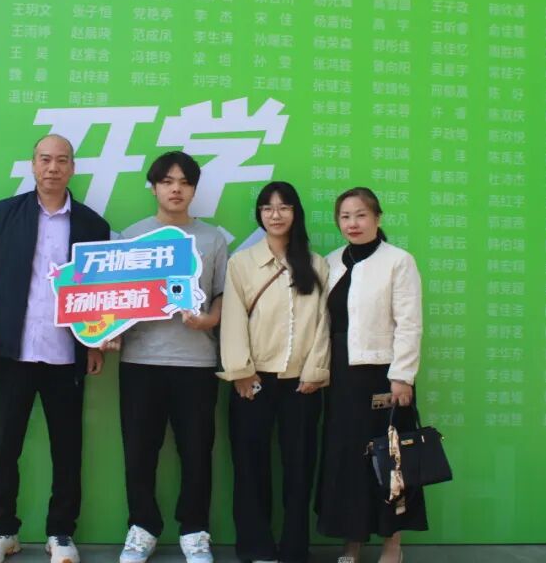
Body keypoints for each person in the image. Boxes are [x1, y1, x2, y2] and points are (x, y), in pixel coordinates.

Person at [0, 134, 111, 563]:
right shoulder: (7, 214)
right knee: (5, 446)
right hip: (15, 350)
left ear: (72, 168)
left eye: (61, 160)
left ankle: (61, 532)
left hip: (67, 355)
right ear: (33, 165)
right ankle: (2, 531)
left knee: (68, 448)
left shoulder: (91, 225)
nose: (52, 168)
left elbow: (99, 293)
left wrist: (95, 343)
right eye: (45, 159)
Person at [114, 151, 228, 563]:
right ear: (154, 187)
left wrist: (209, 319)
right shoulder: (131, 237)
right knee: (139, 451)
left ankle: (194, 531)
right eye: (167, 181)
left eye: (184, 182)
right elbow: (114, 298)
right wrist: (107, 333)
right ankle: (142, 528)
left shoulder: (213, 239)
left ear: (194, 189)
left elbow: (221, 293)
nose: (176, 189)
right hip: (140, 361)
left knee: (196, 452)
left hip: (196, 363)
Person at [218, 181, 330, 563]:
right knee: (250, 469)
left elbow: (324, 323)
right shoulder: (241, 263)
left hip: (302, 384)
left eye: (284, 207)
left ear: (296, 213)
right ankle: (256, 548)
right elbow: (232, 320)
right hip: (254, 382)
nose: (275, 214)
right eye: (267, 207)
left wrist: (315, 371)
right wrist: (240, 372)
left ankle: (295, 549)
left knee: (299, 469)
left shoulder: (316, 264)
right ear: (260, 215)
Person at [315, 187, 425, 563]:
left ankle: (392, 542)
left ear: (377, 218)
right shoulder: (331, 262)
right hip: (340, 377)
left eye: (361, 215)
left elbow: (409, 323)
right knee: (347, 458)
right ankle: (353, 540)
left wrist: (402, 376)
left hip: (382, 375)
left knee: (390, 459)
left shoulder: (398, 261)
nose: (353, 223)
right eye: (345, 216)